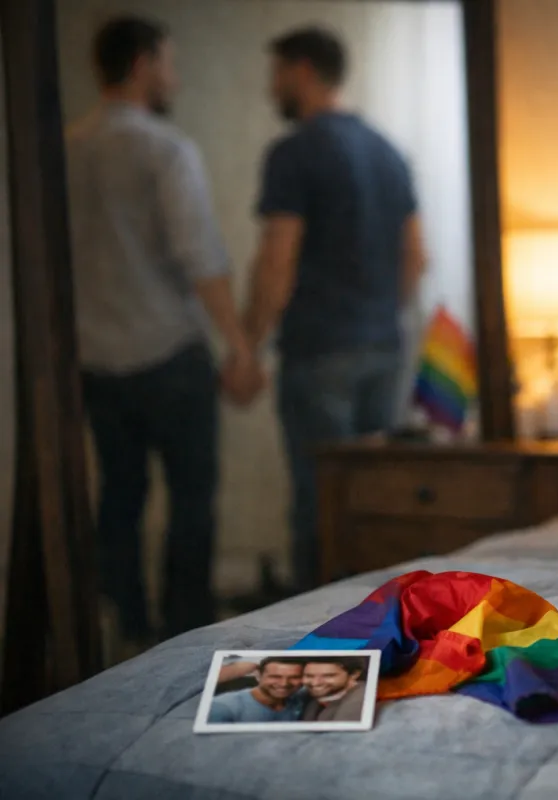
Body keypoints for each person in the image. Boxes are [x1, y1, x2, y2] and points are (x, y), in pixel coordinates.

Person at [66, 17, 263, 648]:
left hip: (94, 355)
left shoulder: (65, 148)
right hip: (167, 351)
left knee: (119, 496)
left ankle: (124, 629)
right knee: (190, 496)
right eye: (170, 63)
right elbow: (200, 256)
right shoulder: (164, 148)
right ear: (145, 62)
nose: (173, 77)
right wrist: (238, 343)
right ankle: (185, 632)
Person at [241, 26, 427, 592]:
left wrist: (248, 345)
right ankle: (378, 622)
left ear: (301, 71)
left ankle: (314, 630)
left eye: (276, 74)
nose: (271, 87)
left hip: (320, 347)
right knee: (371, 502)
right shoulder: (388, 151)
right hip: (382, 347)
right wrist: (377, 317)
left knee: (318, 498)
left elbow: (278, 262)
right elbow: (417, 258)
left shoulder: (295, 152)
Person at [207, 657, 305, 723]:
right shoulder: (224, 707)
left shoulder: (298, 698)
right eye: (275, 676)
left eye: (294, 677)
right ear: (258, 676)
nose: (284, 683)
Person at [299, 657, 367, 722]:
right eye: (309, 676)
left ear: (354, 674)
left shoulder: (363, 699)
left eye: (328, 676)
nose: (315, 683)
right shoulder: (309, 700)